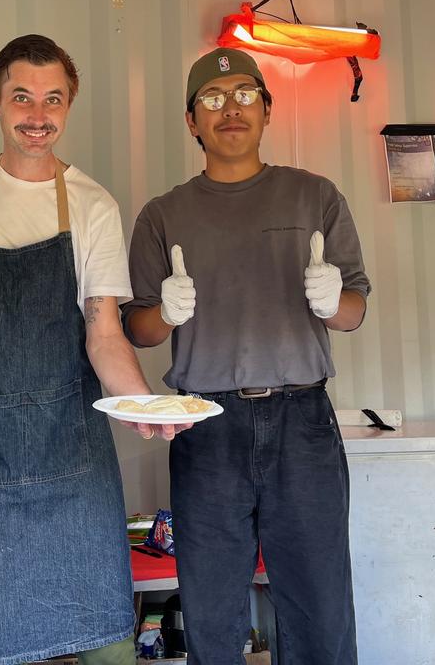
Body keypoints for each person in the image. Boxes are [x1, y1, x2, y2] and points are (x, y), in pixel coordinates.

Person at [0, 34, 178, 665]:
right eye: (21, 97)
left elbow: (103, 332)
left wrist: (144, 404)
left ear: (69, 106)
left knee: (102, 628)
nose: (36, 115)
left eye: (53, 99)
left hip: (70, 440)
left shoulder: (93, 204)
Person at [122, 48, 371, 665]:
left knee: (319, 601)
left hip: (302, 423)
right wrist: (166, 312)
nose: (229, 109)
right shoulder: (163, 214)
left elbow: (355, 310)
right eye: (211, 98)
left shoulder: (315, 196)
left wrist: (332, 300)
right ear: (190, 120)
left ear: (266, 109)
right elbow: (140, 330)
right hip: (206, 427)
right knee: (211, 605)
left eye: (243, 95)